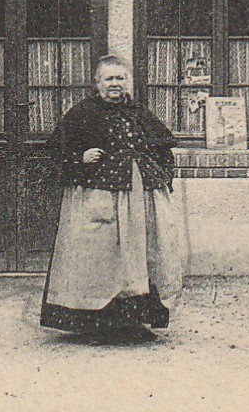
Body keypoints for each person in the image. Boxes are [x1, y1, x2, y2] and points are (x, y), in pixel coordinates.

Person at [40, 55, 188, 341]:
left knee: (139, 256)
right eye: (109, 79)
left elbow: (163, 148)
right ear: (97, 83)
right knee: (101, 257)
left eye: (120, 78)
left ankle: (135, 323)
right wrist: (79, 158)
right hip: (98, 198)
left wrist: (159, 175)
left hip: (138, 198)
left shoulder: (138, 113)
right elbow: (53, 152)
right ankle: (97, 325)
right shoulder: (82, 113)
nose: (115, 84)